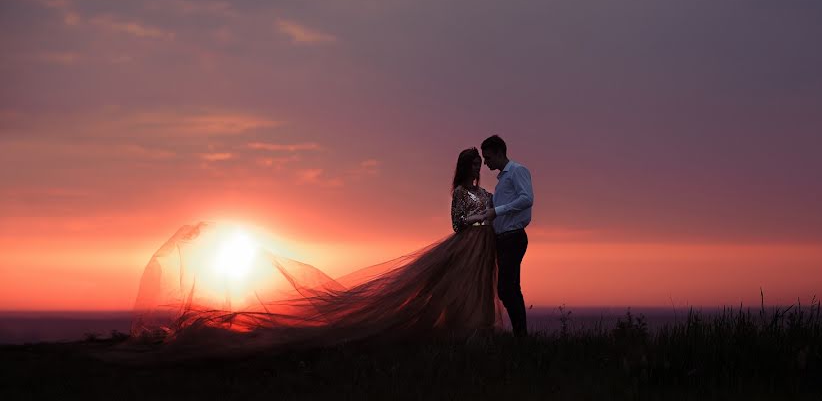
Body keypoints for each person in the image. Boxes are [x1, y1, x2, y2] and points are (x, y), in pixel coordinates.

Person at [125, 148, 505, 358]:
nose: (477, 168)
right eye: (473, 164)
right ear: (464, 167)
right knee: (451, 291)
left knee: (478, 291)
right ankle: (463, 335)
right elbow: (457, 223)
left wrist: (488, 219)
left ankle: (477, 334)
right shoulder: (461, 194)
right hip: (467, 244)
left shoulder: (485, 192)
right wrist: (479, 218)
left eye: (478, 164)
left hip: (483, 246)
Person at [467, 135, 533, 337]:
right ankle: (521, 336)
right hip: (502, 238)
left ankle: (521, 336)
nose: (485, 163)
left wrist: (497, 211)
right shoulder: (503, 179)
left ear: (499, 152)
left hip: (513, 237)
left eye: (488, 158)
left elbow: (527, 199)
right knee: (509, 288)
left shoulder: (517, 171)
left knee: (506, 288)